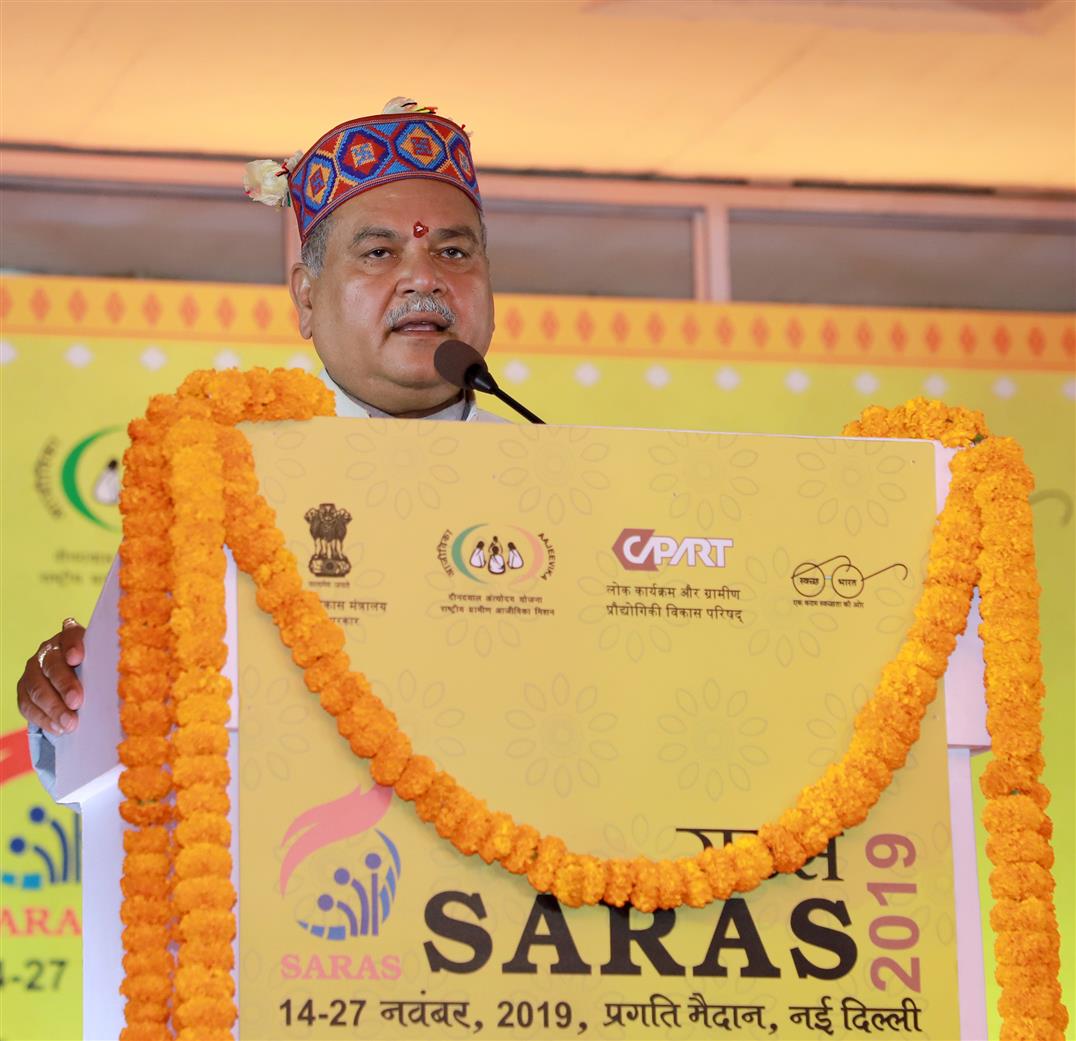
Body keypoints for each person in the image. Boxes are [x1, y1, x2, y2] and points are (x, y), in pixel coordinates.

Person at [15, 96, 508, 758]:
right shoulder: (218, 479)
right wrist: (65, 700)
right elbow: (125, 733)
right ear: (306, 297)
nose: (424, 277)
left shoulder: (564, 483)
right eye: (378, 252)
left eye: (452, 250)